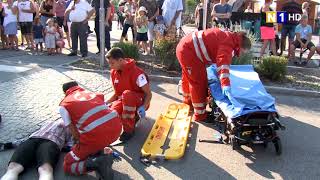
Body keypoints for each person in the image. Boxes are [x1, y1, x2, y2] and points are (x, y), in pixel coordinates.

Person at [176, 28, 251, 122]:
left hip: (186, 47)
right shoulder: (228, 44)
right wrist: (225, 85)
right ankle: (200, 115)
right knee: (198, 82)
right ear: (241, 47)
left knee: (189, 78)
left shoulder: (230, 37)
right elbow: (223, 66)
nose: (241, 54)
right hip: (189, 51)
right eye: (243, 52)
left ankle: (188, 103)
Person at [59, 81, 121, 179]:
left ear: (65, 92)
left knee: (67, 165)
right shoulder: (93, 94)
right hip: (116, 129)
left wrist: (79, 147)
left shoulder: (64, 104)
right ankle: (100, 154)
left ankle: (97, 163)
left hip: (96, 137)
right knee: (95, 142)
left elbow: (74, 133)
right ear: (77, 87)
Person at [105, 47, 152, 142]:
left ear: (121, 60)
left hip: (139, 102)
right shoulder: (114, 73)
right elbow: (116, 94)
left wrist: (144, 106)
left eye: (112, 63)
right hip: (124, 100)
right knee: (112, 112)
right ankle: (131, 118)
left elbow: (148, 94)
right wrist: (105, 103)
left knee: (127, 94)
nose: (110, 66)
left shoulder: (137, 73)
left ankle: (129, 130)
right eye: (109, 63)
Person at [0, 119, 72, 180]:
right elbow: (27, 137)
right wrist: (8, 145)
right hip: (33, 138)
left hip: (52, 142)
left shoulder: (73, 127)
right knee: (13, 167)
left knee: (45, 170)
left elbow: (72, 144)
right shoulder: (50, 122)